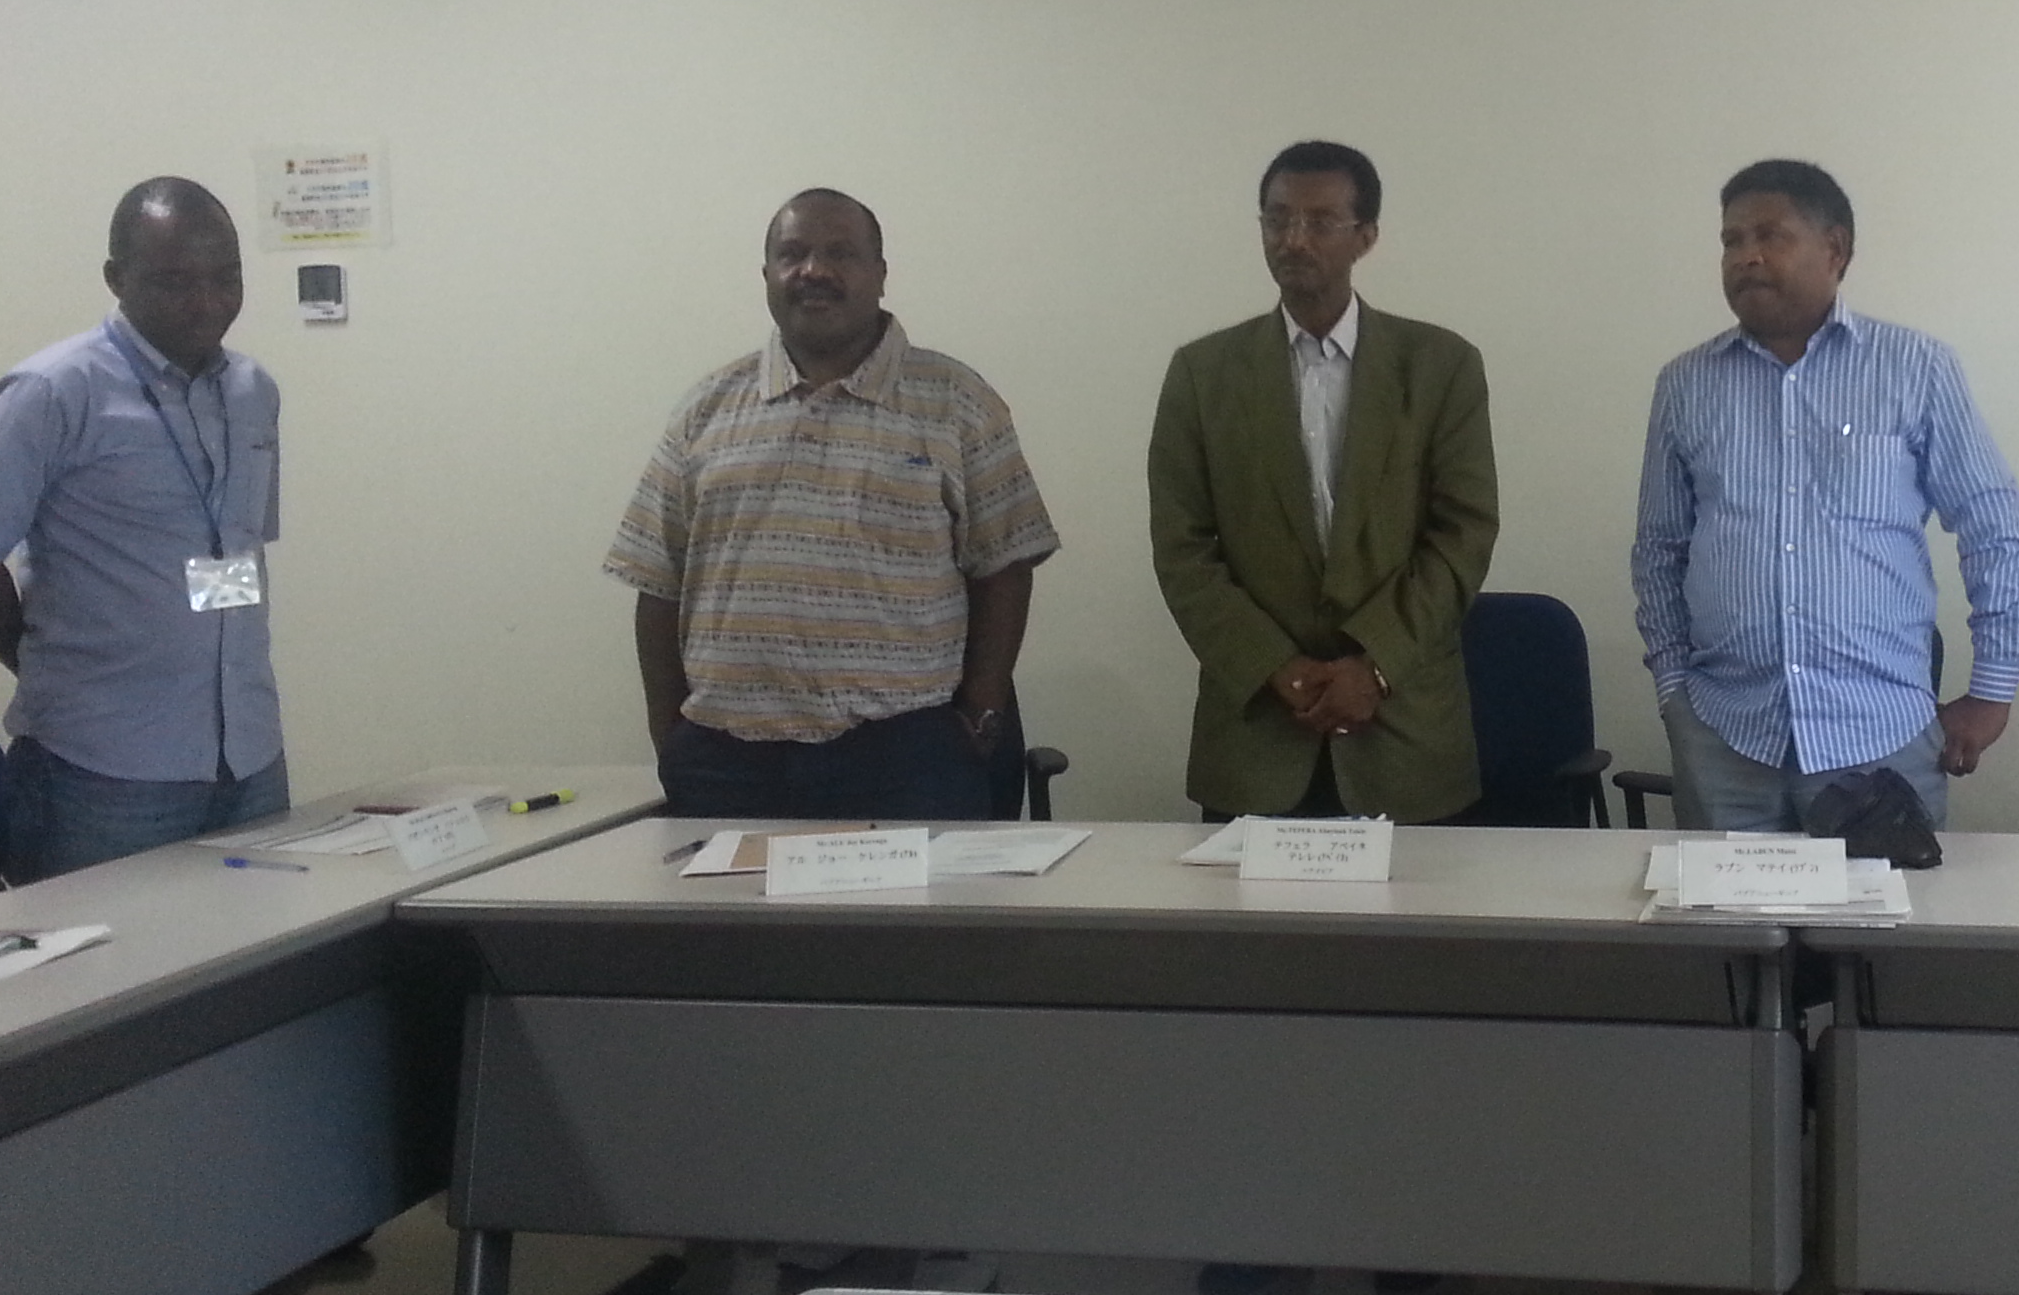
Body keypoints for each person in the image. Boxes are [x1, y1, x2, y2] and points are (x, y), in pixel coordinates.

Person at [607, 189, 1058, 822]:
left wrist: (980, 717)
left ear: (881, 273)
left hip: (908, 757)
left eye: (841, 253)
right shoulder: (707, 408)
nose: (813, 270)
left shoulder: (958, 402)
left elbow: (1006, 568)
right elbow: (657, 582)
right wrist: (672, 736)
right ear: (766, 274)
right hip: (727, 761)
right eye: (792, 254)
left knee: (918, 897)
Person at [1632, 159, 2019, 832]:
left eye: (1770, 235)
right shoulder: (1685, 384)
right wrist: (1674, 690)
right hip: (1725, 736)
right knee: (1728, 906)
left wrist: (1993, 690)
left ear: (1835, 250)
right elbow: (1659, 549)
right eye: (1731, 240)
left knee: (1879, 907)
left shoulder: (1916, 368)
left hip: (1880, 739)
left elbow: (1996, 530)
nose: (1746, 256)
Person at [1148, 141, 1499, 821]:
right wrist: (1275, 666)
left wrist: (1375, 665)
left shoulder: (1440, 366)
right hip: (1257, 735)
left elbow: (1463, 533)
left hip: (1404, 736)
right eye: (1277, 219)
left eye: (1320, 221)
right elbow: (1182, 549)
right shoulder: (1202, 373)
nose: (1293, 240)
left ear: (1366, 236)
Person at [0, 179, 288, 876]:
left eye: (226, 278)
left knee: (261, 942)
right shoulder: (51, 392)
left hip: (247, 754)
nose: (207, 302)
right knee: (105, 945)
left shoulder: (253, 391)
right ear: (116, 278)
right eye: (176, 282)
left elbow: (241, 547)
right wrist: (42, 665)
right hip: (101, 764)